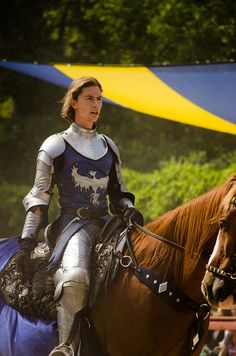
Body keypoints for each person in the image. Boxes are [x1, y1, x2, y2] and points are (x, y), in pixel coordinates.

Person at [14, 76, 144, 356]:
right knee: (74, 277)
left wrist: (127, 208)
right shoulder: (55, 145)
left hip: (108, 223)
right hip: (73, 225)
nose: (96, 104)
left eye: (99, 99)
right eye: (89, 98)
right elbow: (39, 198)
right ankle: (67, 347)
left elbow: (119, 192)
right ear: (73, 102)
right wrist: (26, 243)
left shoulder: (109, 146)